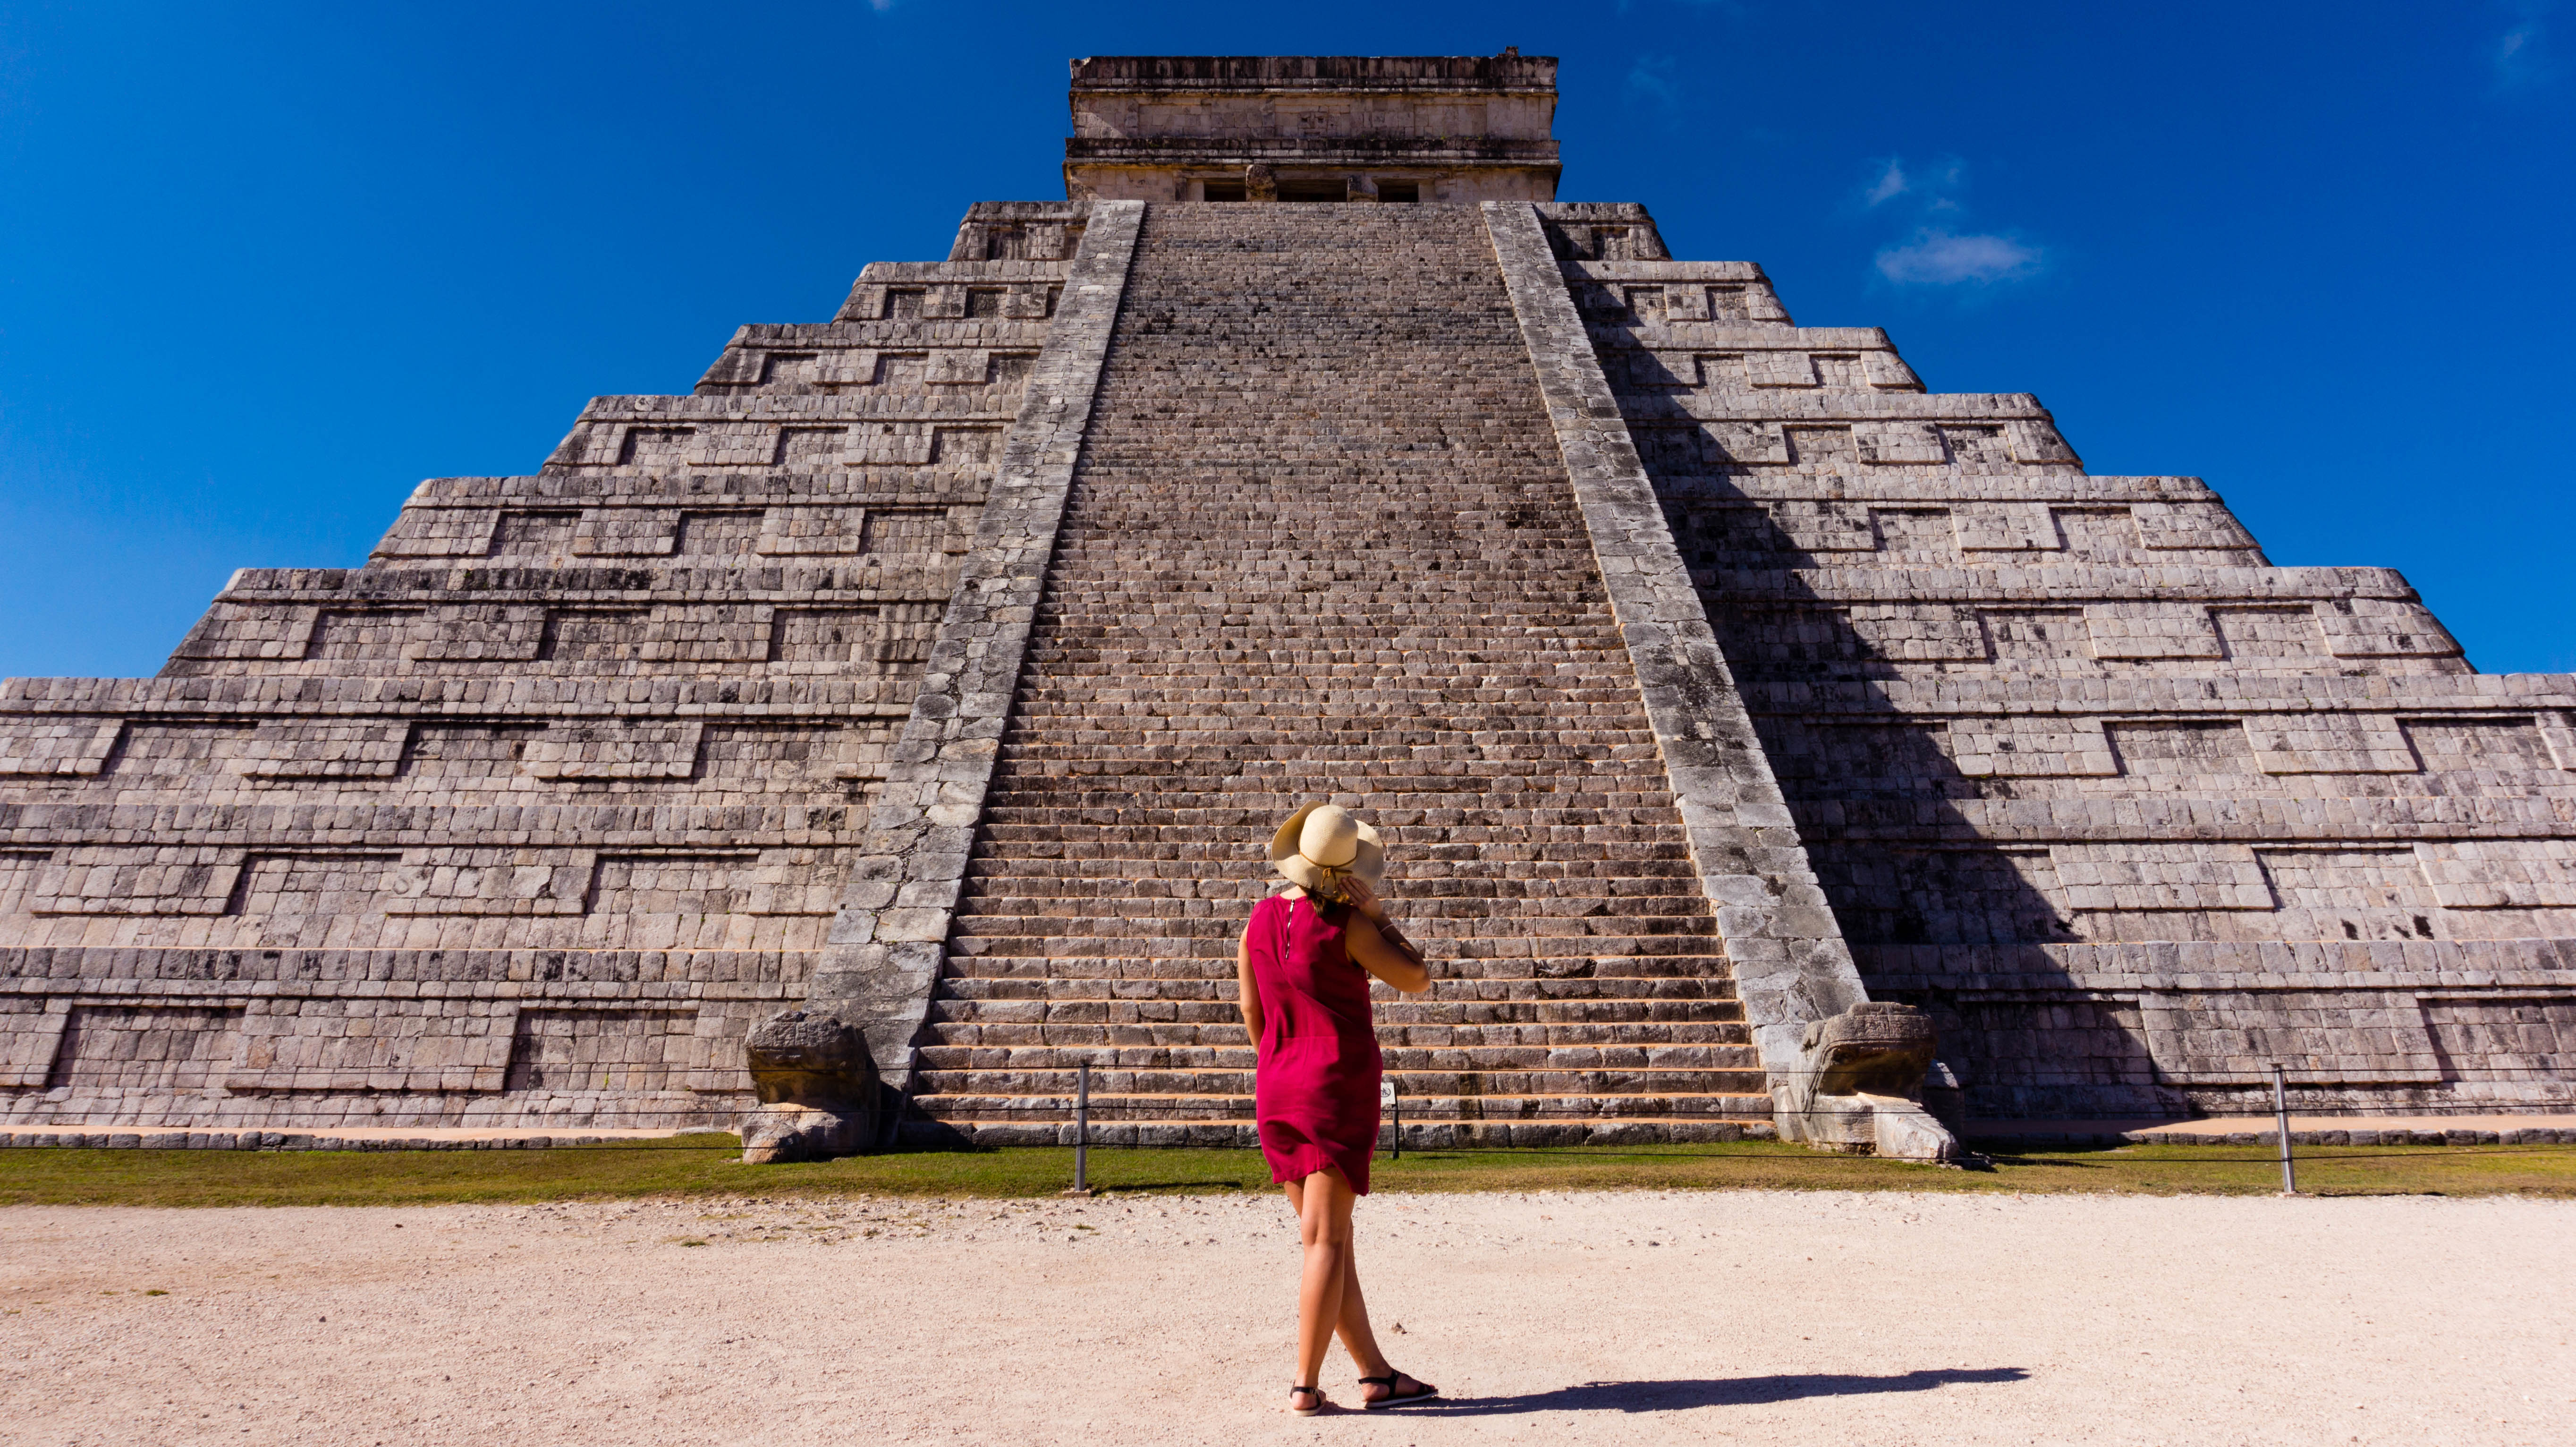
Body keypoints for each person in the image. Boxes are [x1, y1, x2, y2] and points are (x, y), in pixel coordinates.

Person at [1237, 802, 1440, 1415]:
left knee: (1332, 1240)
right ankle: (1305, 1384)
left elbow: (1252, 1013)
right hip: (1333, 1086)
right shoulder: (1349, 925)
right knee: (1326, 1242)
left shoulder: (1259, 921)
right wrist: (1380, 917)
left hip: (1277, 1083)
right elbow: (1417, 978)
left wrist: (1282, 1060)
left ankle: (1376, 1373)